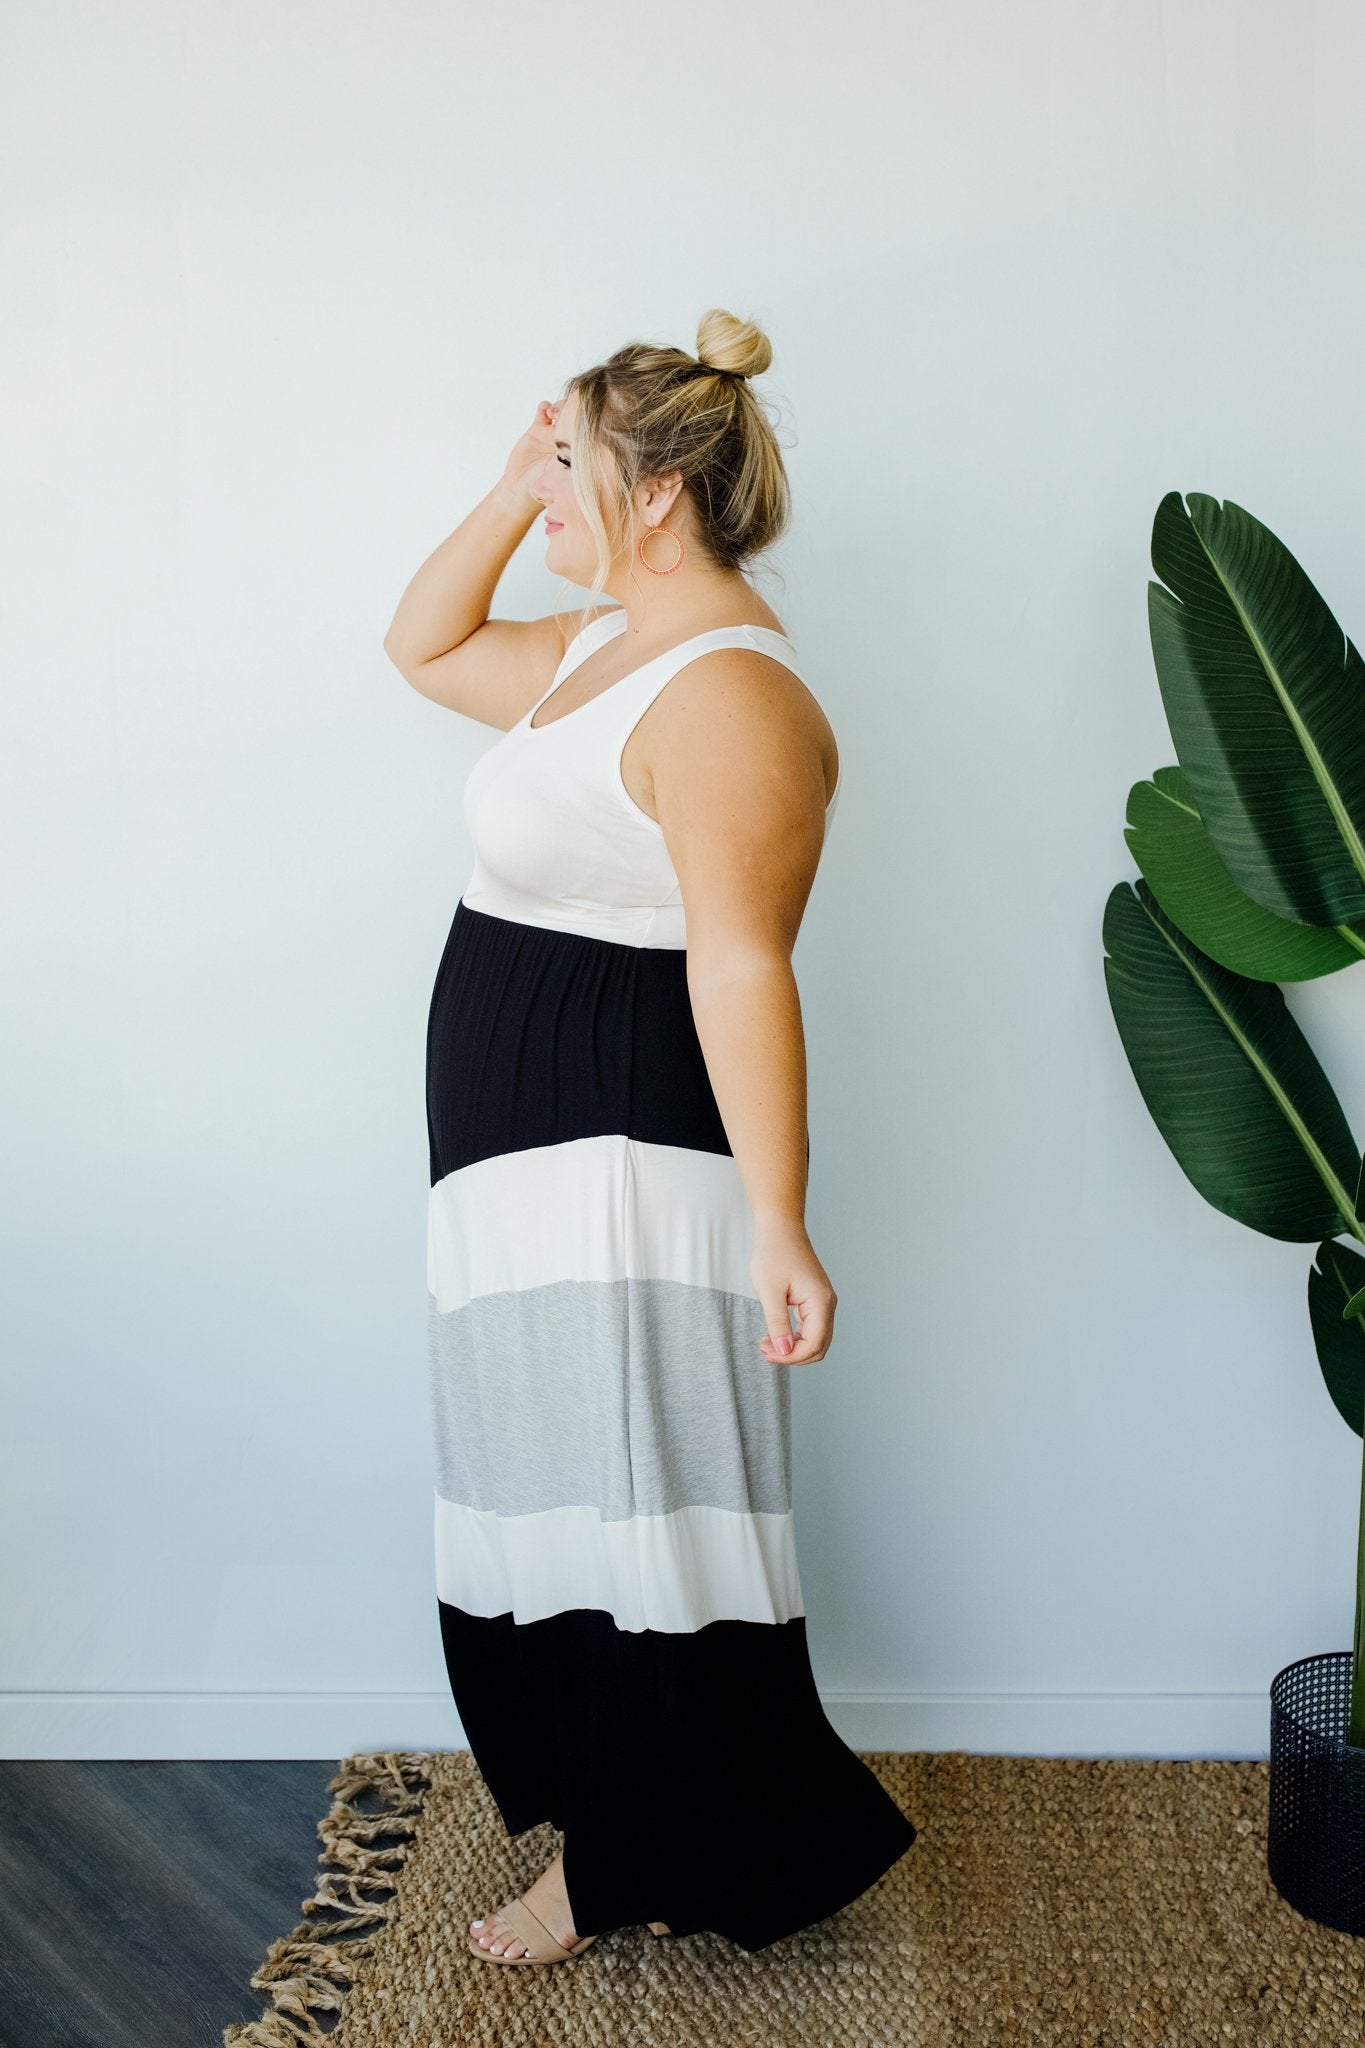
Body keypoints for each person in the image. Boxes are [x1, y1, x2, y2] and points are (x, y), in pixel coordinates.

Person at [383, 307, 917, 1968]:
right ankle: (646, 1835)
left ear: (663, 493)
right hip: (525, 1143)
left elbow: (741, 961)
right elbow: (419, 642)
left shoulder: (729, 694)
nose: (545, 503)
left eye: (572, 473)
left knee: (638, 1512)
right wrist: (512, 477)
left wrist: (780, 1217)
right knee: (558, 1500)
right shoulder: (593, 648)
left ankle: (635, 1858)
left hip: (623, 1147)